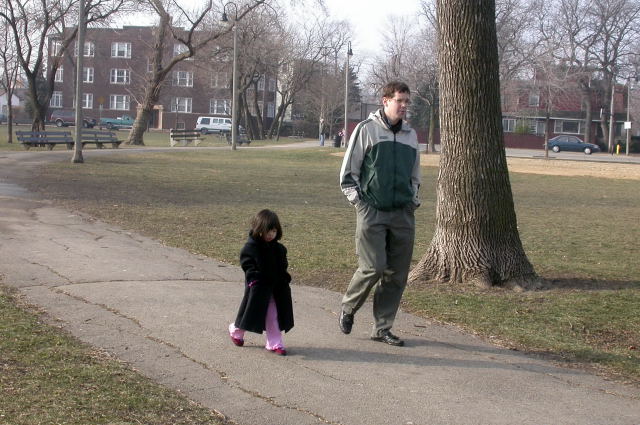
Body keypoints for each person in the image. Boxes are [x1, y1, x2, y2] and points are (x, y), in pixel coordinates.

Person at [338, 81, 421, 347]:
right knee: (373, 267)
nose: (404, 106)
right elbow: (348, 175)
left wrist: (412, 201)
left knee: (396, 275)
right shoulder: (366, 130)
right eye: (400, 100)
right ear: (385, 101)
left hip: (402, 214)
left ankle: (382, 327)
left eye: (407, 101)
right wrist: (360, 203)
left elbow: (415, 175)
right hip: (372, 211)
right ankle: (349, 307)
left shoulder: (410, 135)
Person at [229, 209, 294, 355]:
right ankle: (235, 331)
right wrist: (254, 280)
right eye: (267, 231)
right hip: (258, 289)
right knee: (251, 315)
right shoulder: (251, 248)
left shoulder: (279, 249)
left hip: (276, 289)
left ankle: (275, 343)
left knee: (273, 316)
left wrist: (285, 279)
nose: (271, 234)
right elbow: (247, 266)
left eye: (274, 231)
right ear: (259, 230)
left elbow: (283, 267)